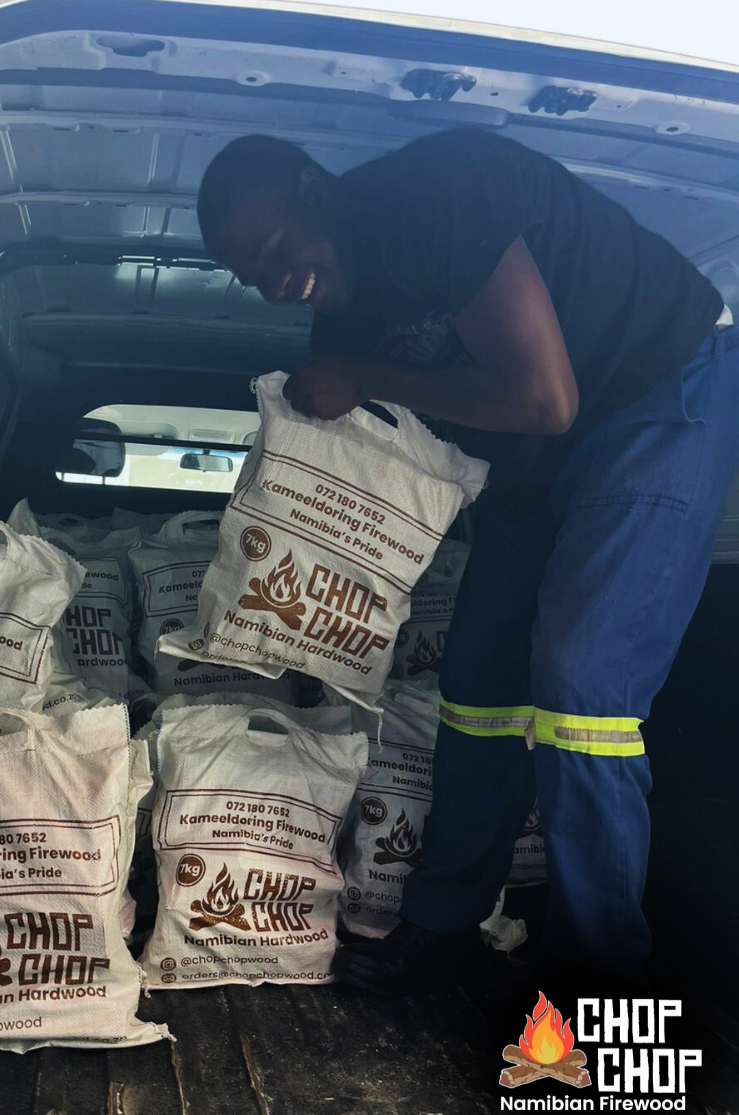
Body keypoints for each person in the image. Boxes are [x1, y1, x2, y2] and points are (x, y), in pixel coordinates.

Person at [196, 128, 739, 989]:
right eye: (251, 277)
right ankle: (443, 923)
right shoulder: (344, 320)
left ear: (314, 191)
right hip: (530, 458)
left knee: (581, 682)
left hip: (655, 392)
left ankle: (600, 970)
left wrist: (364, 378)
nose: (274, 283)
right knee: (479, 681)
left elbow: (544, 398)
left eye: (272, 250)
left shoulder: (435, 195)